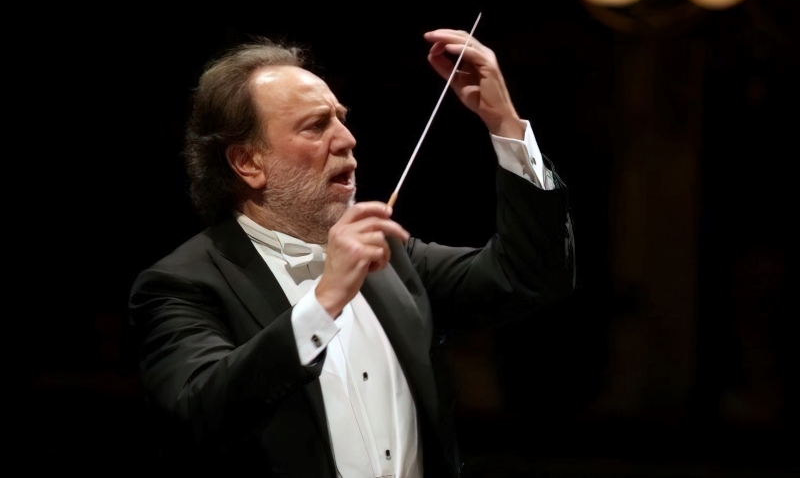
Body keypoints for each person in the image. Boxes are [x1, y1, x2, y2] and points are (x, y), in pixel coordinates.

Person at [129, 29, 576, 477]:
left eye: (341, 119)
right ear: (248, 162)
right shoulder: (181, 285)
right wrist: (325, 301)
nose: (346, 139)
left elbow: (528, 277)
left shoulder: (390, 258)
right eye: (316, 125)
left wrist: (504, 123)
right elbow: (197, 414)